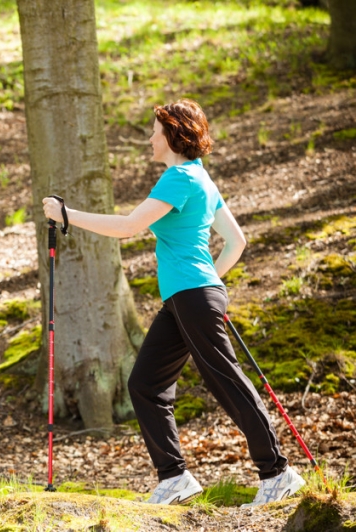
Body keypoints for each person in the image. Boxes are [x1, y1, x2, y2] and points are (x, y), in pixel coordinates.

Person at [42, 99, 304, 506]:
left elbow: (129, 227)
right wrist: (210, 281)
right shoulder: (201, 178)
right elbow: (237, 242)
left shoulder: (179, 178)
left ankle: (277, 473)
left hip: (193, 295)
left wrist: (68, 215)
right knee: (145, 384)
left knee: (227, 381)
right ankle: (175, 478)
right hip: (187, 297)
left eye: (155, 131)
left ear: (173, 134)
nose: (149, 138)